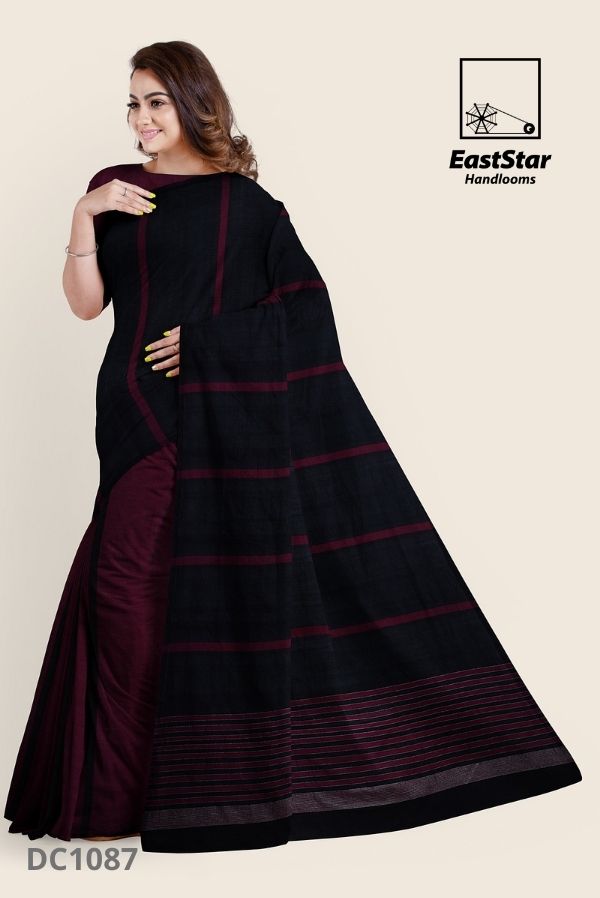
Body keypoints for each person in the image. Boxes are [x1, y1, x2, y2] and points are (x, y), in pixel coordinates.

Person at [4, 40, 582, 853]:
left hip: (199, 418)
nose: (141, 118)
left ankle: (147, 791)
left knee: (140, 592)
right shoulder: (115, 191)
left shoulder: (248, 209)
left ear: (194, 103)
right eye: (132, 102)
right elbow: (86, 305)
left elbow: (309, 314)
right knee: (126, 592)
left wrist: (208, 344)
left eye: (157, 101)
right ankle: (130, 790)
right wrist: (81, 215)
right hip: (126, 411)